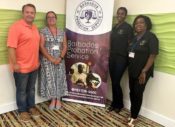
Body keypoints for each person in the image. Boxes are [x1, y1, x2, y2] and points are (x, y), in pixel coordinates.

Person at [7, 4, 40, 122]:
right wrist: (15, 64)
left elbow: (35, 46)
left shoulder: (35, 27)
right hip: (21, 67)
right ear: (23, 13)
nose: (30, 14)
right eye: (27, 12)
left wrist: (37, 61)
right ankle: (22, 110)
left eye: (32, 12)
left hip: (34, 66)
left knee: (31, 89)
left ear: (34, 14)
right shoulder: (15, 27)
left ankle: (31, 107)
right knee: (21, 90)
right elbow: (11, 47)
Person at [127, 15, 159, 126]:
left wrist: (144, 71)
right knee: (132, 92)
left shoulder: (151, 37)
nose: (138, 25)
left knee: (137, 93)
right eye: (136, 23)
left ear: (147, 25)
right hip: (132, 70)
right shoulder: (134, 38)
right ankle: (132, 113)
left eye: (141, 22)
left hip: (143, 72)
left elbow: (153, 55)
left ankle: (134, 117)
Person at [39, 11, 68, 110]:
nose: (51, 18)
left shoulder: (62, 31)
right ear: (46, 20)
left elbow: (64, 46)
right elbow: (41, 46)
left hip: (60, 59)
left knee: (59, 78)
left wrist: (60, 58)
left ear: (56, 18)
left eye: (53, 17)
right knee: (50, 79)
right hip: (47, 60)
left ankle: (58, 99)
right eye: (48, 17)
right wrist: (51, 58)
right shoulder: (43, 31)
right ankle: (53, 99)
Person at [108, 7, 133, 113]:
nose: (119, 15)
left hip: (122, 58)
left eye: (122, 14)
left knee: (116, 81)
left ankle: (120, 104)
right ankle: (114, 103)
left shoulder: (128, 27)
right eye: (118, 13)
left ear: (125, 15)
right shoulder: (114, 27)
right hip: (112, 57)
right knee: (113, 82)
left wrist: (130, 58)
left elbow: (130, 43)